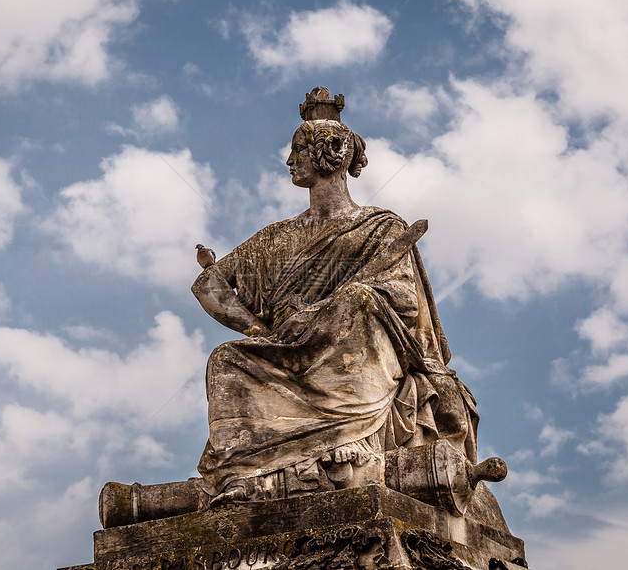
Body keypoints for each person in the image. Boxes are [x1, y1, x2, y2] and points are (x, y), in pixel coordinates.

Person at [191, 89, 478, 505]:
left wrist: (328, 310)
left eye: (297, 151)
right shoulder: (275, 237)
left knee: (359, 302)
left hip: (350, 348)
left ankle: (352, 439)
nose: (290, 162)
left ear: (332, 152)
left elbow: (404, 300)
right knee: (226, 359)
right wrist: (256, 328)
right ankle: (241, 472)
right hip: (286, 351)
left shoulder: (381, 228)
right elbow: (208, 284)